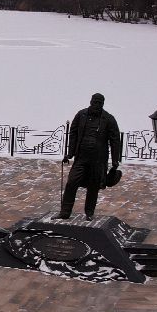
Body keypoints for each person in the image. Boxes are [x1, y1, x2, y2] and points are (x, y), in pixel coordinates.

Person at [59, 92, 122, 220]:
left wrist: (115, 159)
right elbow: (73, 134)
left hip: (98, 161)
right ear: (91, 101)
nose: (97, 105)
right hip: (81, 158)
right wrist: (70, 153)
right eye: (95, 102)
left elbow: (115, 140)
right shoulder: (81, 115)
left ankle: (89, 213)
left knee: (93, 186)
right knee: (71, 182)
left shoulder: (109, 119)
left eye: (100, 103)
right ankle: (65, 212)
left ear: (103, 104)